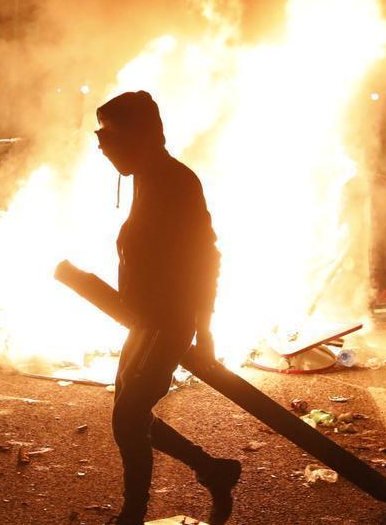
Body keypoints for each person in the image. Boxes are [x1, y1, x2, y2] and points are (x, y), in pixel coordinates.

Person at [94, 91, 241, 525]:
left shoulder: (177, 181)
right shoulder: (144, 175)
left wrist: (205, 330)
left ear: (142, 135)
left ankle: (133, 515)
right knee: (130, 414)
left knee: (128, 416)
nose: (104, 147)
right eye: (99, 136)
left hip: (169, 321)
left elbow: (205, 255)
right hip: (142, 322)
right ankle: (213, 470)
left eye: (111, 136)